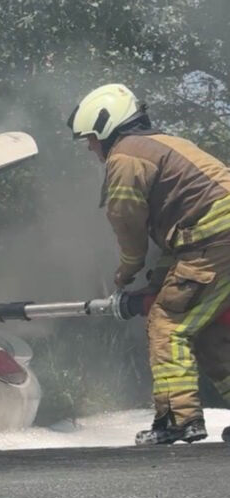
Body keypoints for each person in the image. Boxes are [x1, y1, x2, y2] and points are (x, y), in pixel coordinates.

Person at [68, 83, 230, 445]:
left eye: (91, 139)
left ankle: (177, 420)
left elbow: (126, 219)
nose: (91, 148)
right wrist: (155, 283)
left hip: (215, 241)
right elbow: (181, 238)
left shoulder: (125, 157)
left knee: (167, 324)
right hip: (215, 241)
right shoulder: (164, 145)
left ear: (107, 127)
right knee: (206, 331)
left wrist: (127, 270)